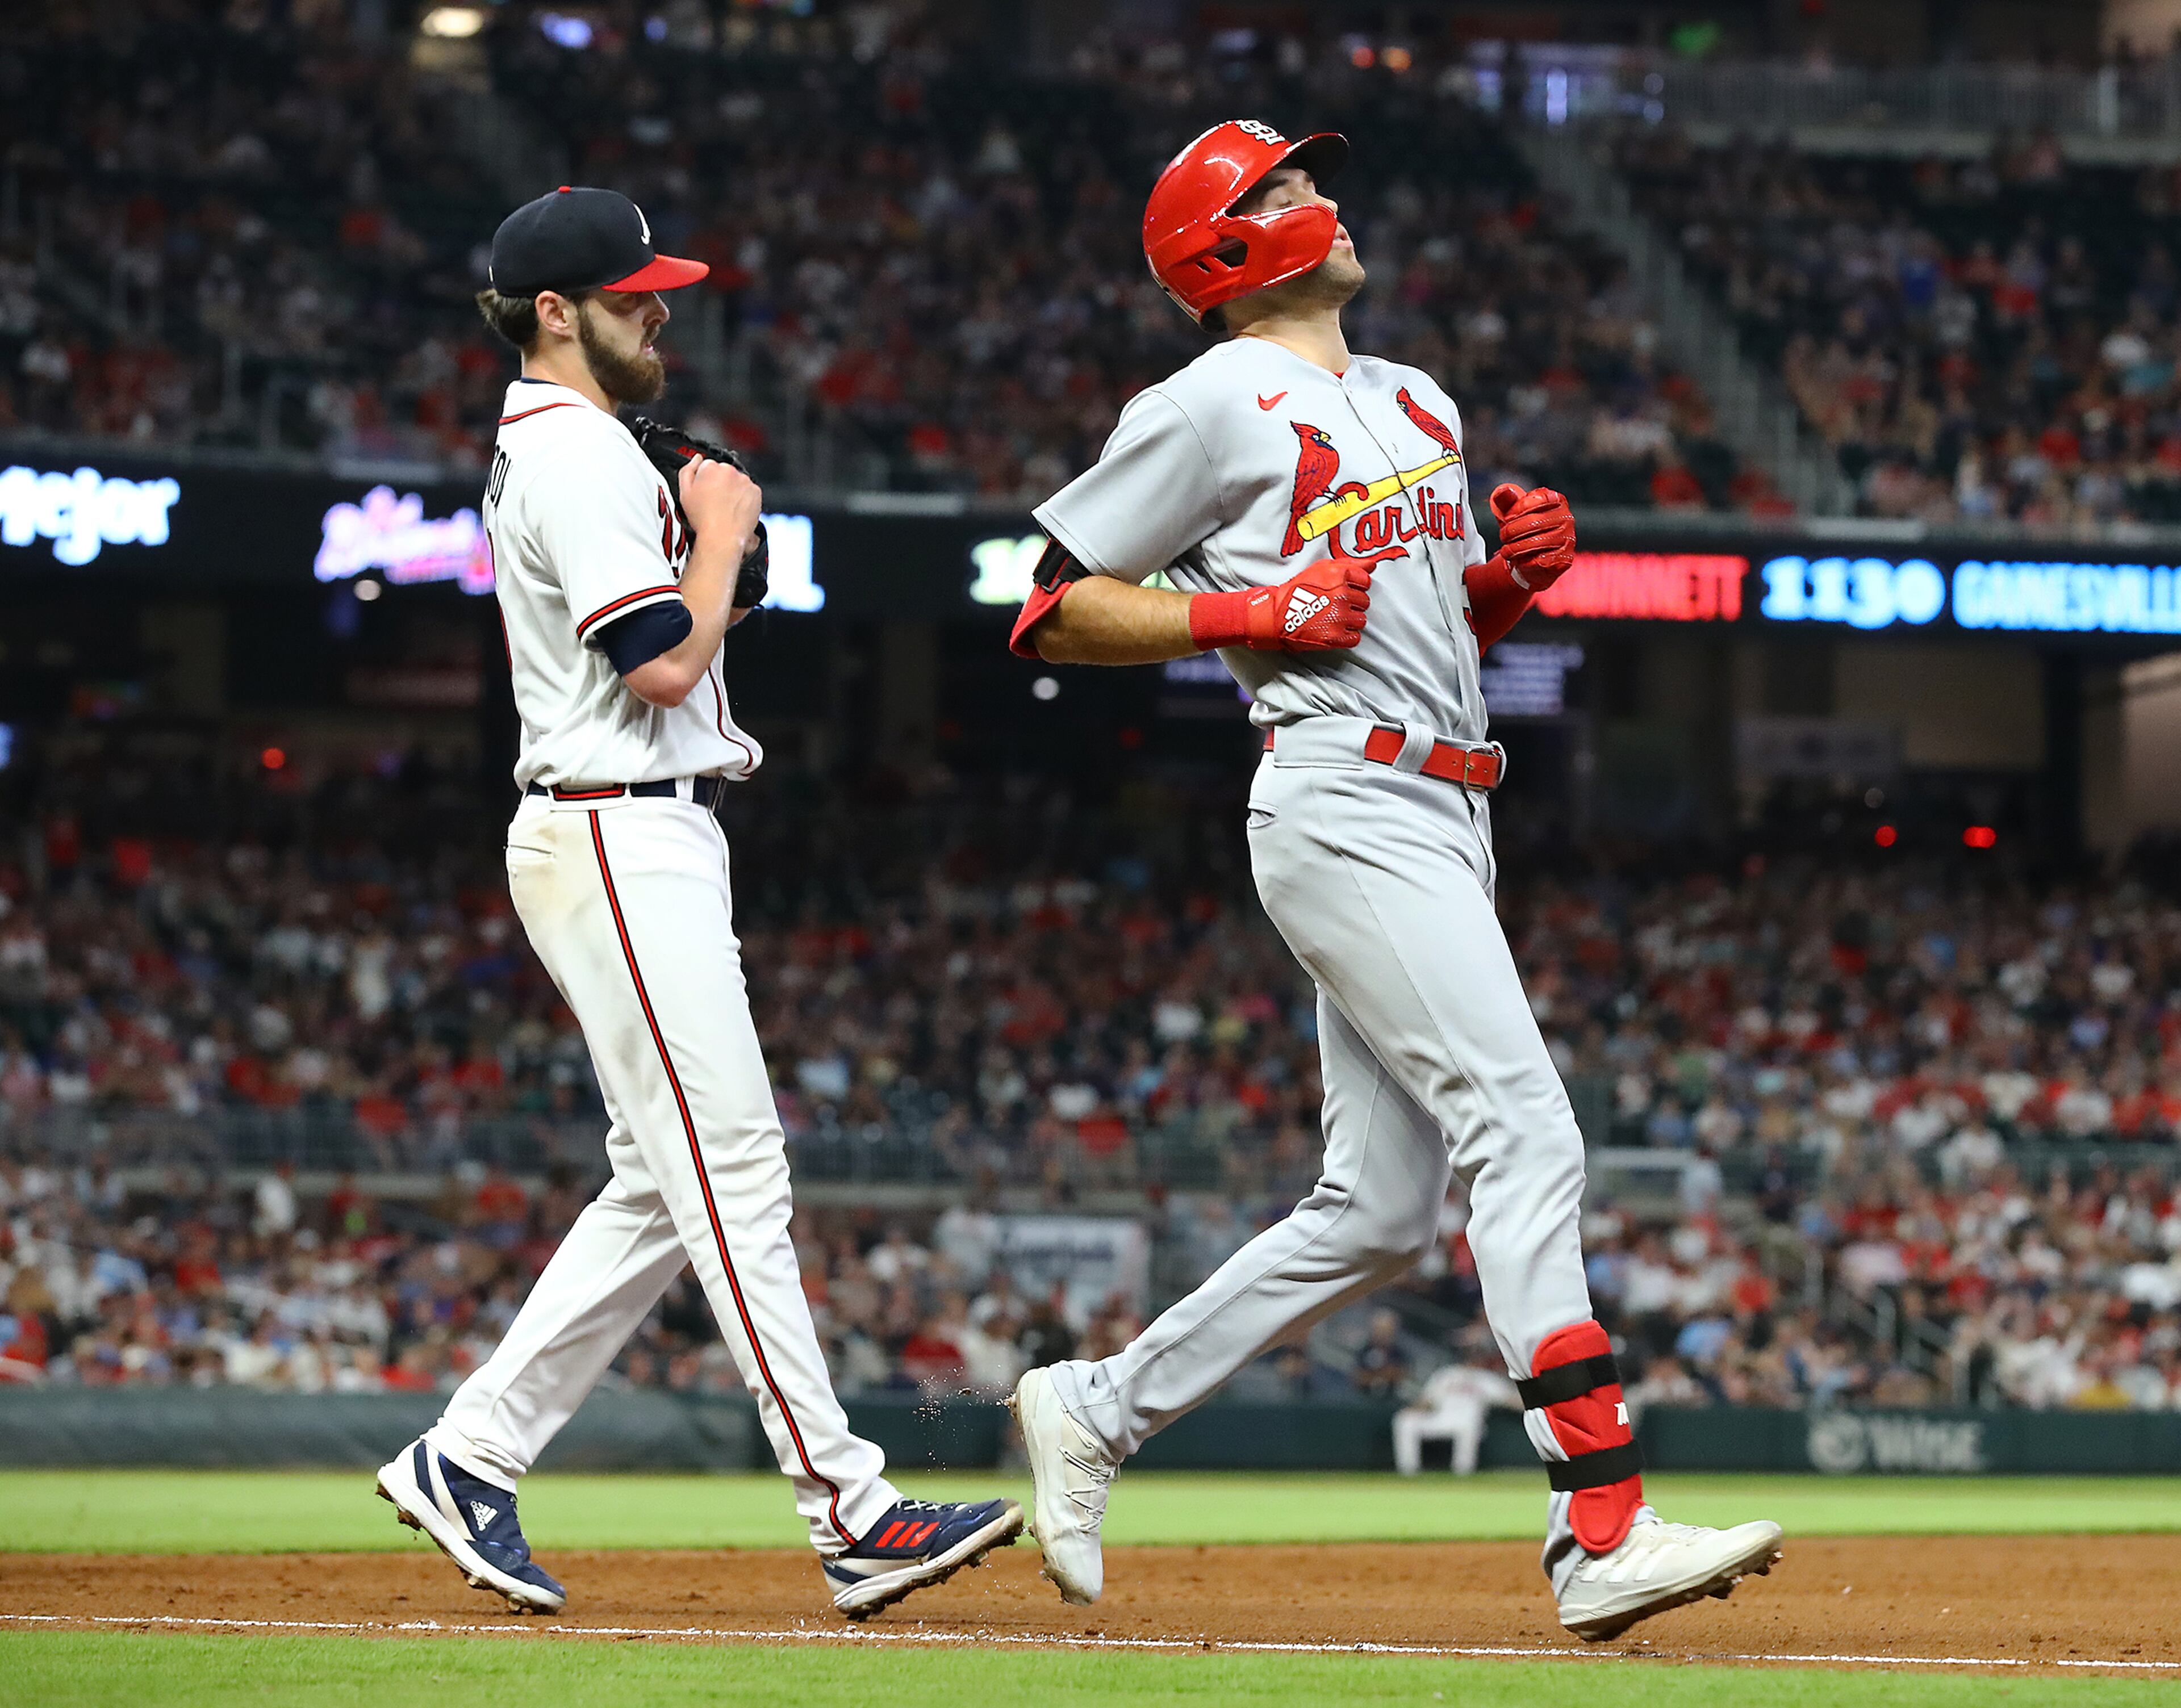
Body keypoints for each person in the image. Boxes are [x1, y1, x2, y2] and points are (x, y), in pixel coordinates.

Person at [1004, 122, 1781, 1642]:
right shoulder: (1210, 399)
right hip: (1342, 792)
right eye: (1281, 189)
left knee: (1375, 1215)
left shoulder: (1417, 396)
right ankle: (1599, 1522)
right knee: (1528, 1132)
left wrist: (1506, 585)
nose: (1321, 195)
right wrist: (1246, 608)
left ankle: (1100, 1405)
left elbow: (1423, 632)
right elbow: (1050, 615)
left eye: (1307, 177)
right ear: (1223, 251)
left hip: (1444, 796)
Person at [374, 186, 1018, 1619]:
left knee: (661, 1184)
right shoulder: (576, 454)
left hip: (636, 832)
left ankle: (469, 1453)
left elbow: (690, 635)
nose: (660, 307)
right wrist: (716, 531)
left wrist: (708, 538)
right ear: (557, 311)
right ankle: (851, 1511)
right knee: (732, 1172)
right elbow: (660, 664)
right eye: (633, 293)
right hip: (615, 829)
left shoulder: (578, 444)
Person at [1394, 1349, 1521, 1476]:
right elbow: (1427, 1401)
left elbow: (1511, 1399)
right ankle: (1408, 1473)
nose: (1472, 1360)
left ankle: (1463, 1474)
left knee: (1470, 1426)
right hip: (1440, 1419)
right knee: (1405, 1420)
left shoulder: (1485, 1378)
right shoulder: (1447, 1375)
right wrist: (1413, 1410)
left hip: (1466, 1422)